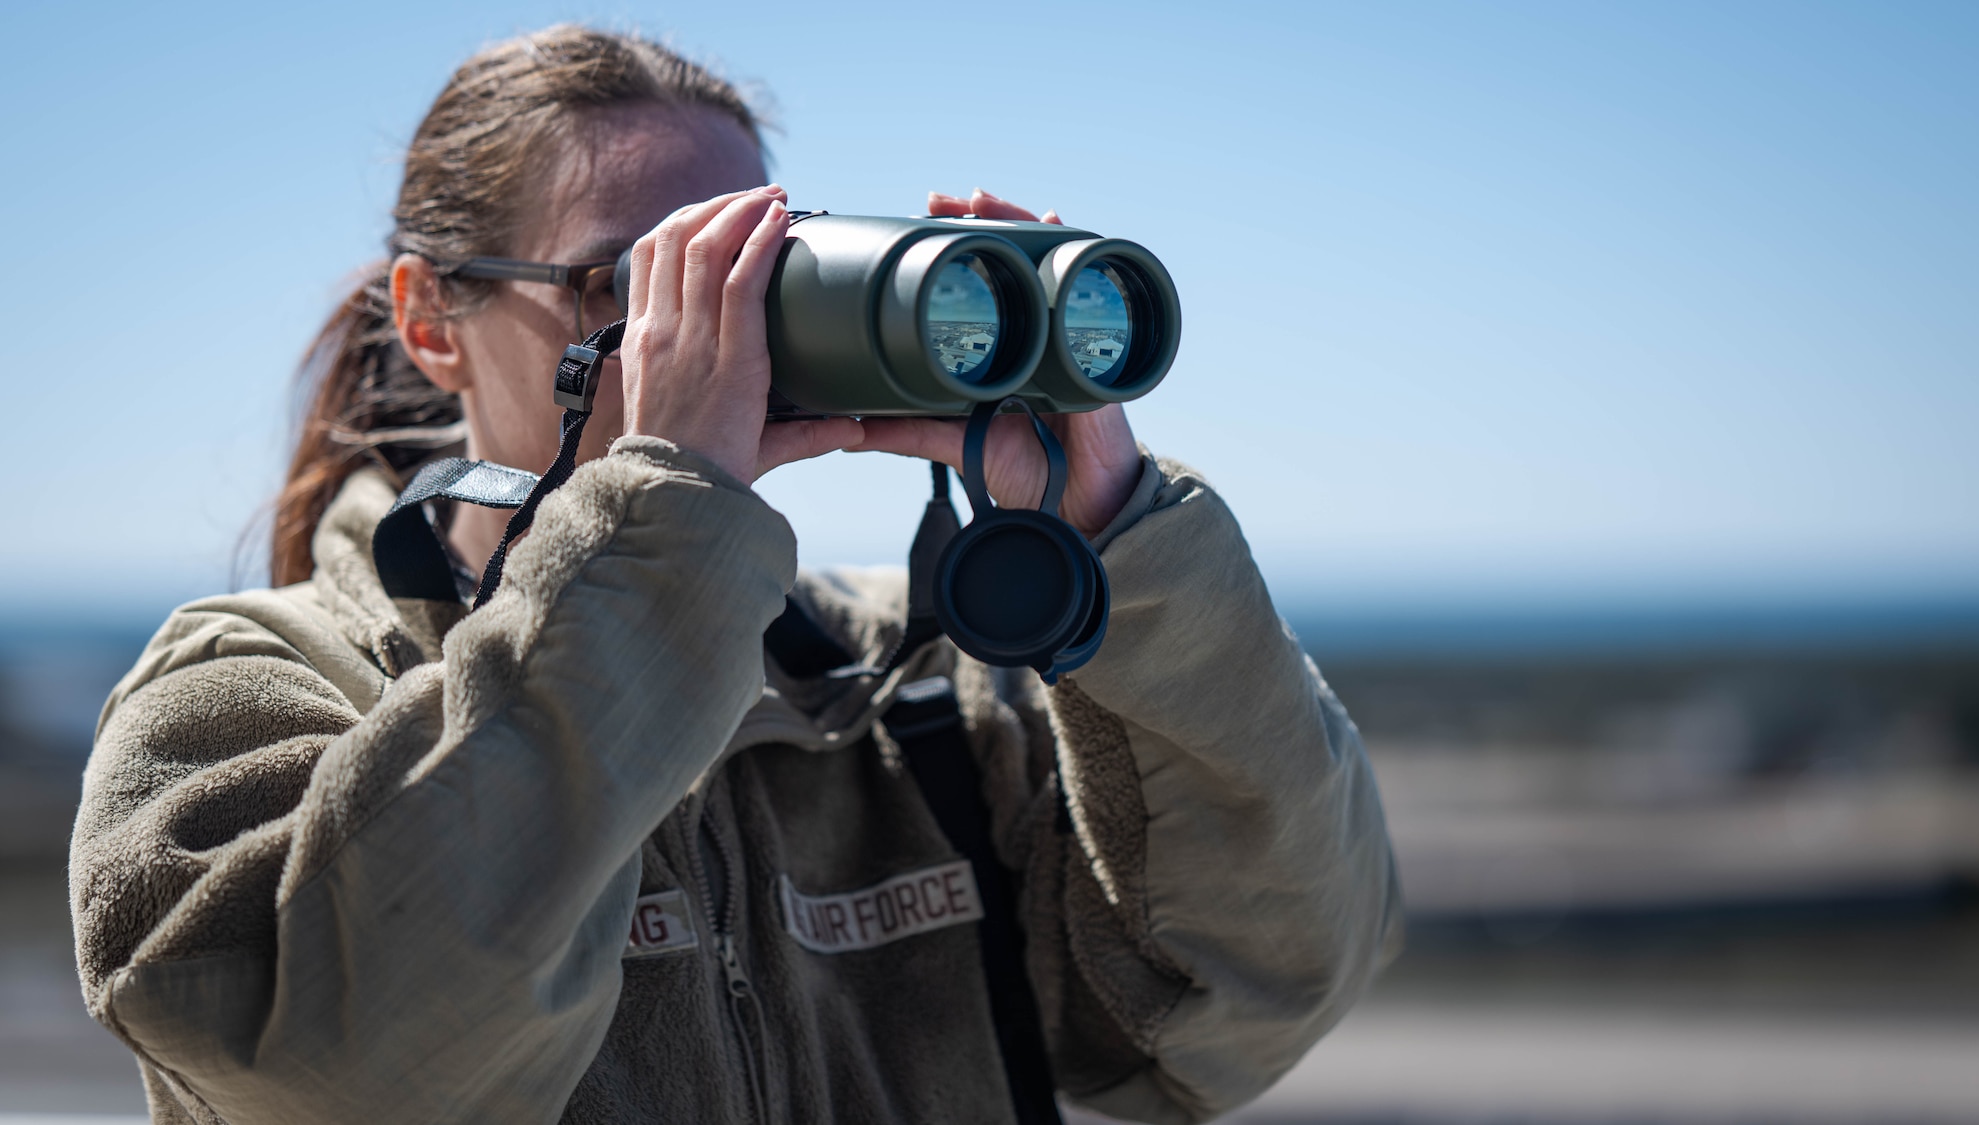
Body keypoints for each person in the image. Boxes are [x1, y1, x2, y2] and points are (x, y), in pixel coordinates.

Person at [70, 25, 1400, 1125]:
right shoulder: (249, 693)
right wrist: (659, 531)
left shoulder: (909, 701)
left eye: (748, 273)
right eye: (633, 281)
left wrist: (1121, 539)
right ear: (433, 323)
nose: (702, 335)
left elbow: (1246, 1005)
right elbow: (342, 1070)